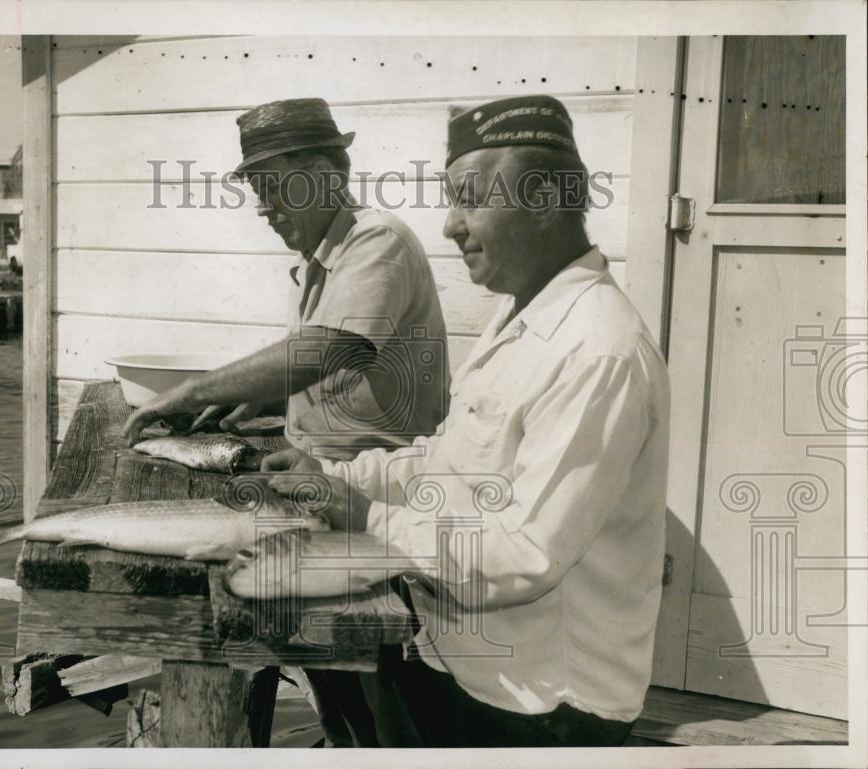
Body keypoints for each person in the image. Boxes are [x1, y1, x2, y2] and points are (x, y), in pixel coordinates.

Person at [263, 95, 671, 748]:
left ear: (544, 200)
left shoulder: (599, 348)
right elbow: (447, 460)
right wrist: (335, 474)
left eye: (471, 199)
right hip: (460, 659)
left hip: (537, 709)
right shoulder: (523, 314)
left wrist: (364, 514)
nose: (450, 225)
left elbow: (522, 555)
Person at [122, 97, 450, 747]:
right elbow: (339, 371)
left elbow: (332, 348)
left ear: (327, 173)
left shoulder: (375, 242)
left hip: (375, 499)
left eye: (274, 189)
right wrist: (263, 404)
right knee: (334, 688)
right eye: (259, 192)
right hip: (320, 485)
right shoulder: (322, 261)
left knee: (381, 692)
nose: (265, 209)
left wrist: (186, 393)